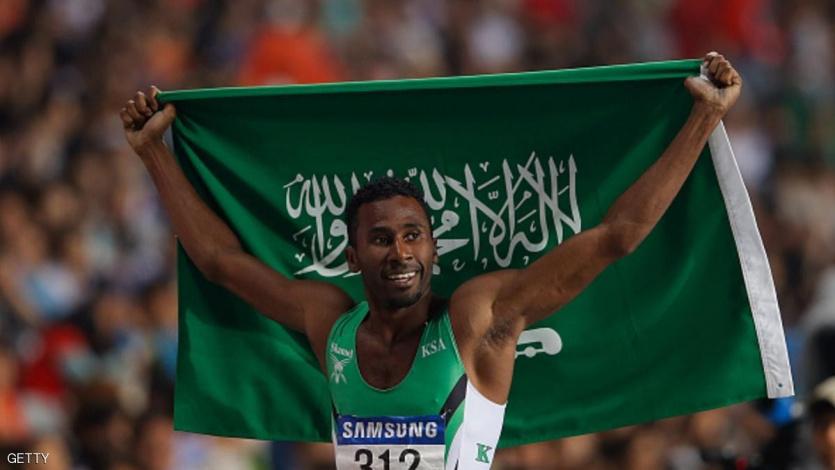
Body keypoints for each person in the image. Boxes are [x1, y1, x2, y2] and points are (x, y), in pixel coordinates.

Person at [119, 52, 742, 469]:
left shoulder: (477, 320)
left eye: (414, 235)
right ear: (351, 255)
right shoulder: (329, 323)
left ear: (434, 248)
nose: (400, 251)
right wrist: (153, 152)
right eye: (381, 239)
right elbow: (220, 262)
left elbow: (614, 237)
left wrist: (703, 117)